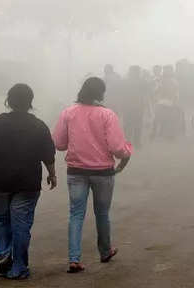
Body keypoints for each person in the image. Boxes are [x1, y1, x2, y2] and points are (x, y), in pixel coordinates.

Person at [0, 84, 57, 280]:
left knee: (1, 219)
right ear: (30, 102)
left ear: (9, 100)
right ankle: (19, 266)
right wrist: (52, 175)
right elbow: (48, 156)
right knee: (21, 225)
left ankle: (3, 255)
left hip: (0, 181)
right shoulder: (39, 126)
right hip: (27, 183)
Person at [52, 77, 132, 273]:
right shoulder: (107, 115)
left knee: (76, 214)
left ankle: (74, 259)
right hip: (103, 172)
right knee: (102, 213)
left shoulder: (68, 113)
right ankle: (105, 251)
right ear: (101, 93)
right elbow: (116, 147)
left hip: (76, 171)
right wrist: (125, 156)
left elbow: (59, 143)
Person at [121, 65, 149, 148]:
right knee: (136, 124)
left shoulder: (126, 81)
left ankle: (128, 141)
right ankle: (136, 141)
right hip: (136, 106)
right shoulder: (143, 81)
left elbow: (121, 95)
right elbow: (146, 95)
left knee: (129, 124)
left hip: (131, 106)